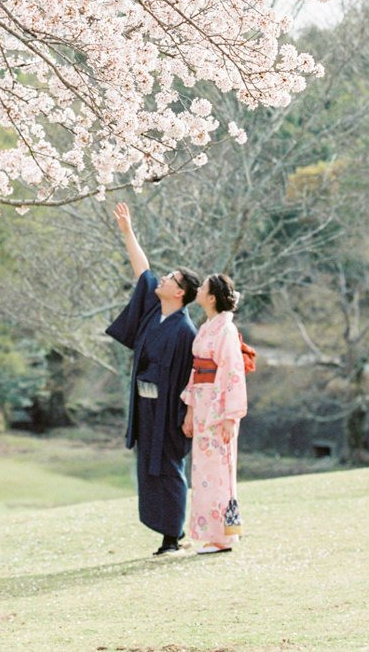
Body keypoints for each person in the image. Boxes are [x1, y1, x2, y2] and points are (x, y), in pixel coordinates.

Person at [104, 202, 199, 556]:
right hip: (146, 406)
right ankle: (164, 532)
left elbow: (193, 377)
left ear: (180, 293)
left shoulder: (186, 330)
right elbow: (143, 272)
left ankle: (173, 535)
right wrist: (128, 232)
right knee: (148, 466)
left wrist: (188, 414)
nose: (162, 279)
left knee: (169, 467)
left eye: (170, 279)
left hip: (170, 412)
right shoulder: (153, 314)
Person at [180, 273, 248, 554]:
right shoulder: (208, 326)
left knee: (219, 471)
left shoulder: (225, 330)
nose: (197, 290)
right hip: (203, 405)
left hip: (219, 410)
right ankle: (210, 533)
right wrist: (190, 410)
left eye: (203, 288)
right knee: (204, 471)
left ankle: (222, 537)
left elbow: (233, 372)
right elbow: (197, 371)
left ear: (211, 298)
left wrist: (230, 417)